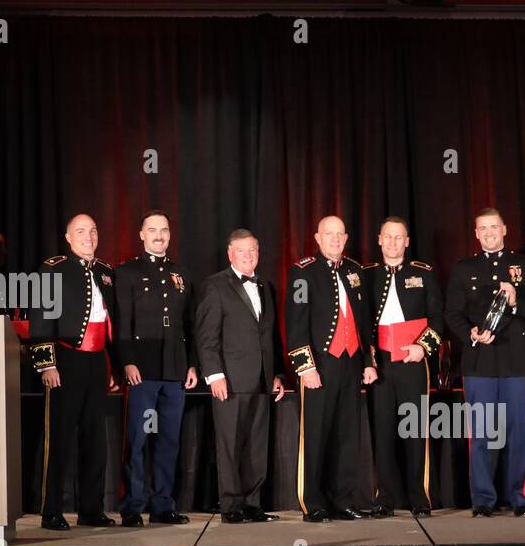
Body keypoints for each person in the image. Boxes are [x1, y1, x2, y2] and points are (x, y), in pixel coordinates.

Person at [444, 208, 525, 516]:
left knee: (519, 433)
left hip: (518, 363)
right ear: (476, 234)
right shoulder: (464, 268)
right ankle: (483, 500)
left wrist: (516, 303)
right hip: (480, 364)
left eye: (494, 227)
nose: (489, 232)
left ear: (505, 229)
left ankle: (521, 498)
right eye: (483, 228)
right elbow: (452, 314)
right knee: (484, 435)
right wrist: (471, 333)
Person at [29, 213, 121, 530]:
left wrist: (113, 366)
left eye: (93, 231)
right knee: (60, 439)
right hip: (65, 362)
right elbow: (40, 318)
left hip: (97, 363)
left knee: (95, 441)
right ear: (68, 238)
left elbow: (112, 324)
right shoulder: (53, 269)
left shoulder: (108, 272)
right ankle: (51, 511)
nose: (88, 236)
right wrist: (47, 363)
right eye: (81, 231)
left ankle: (91, 510)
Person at [286, 215, 377, 523]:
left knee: (347, 437)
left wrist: (368, 361)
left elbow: (364, 323)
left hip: (351, 363)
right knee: (316, 436)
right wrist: (305, 367)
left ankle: (342, 500)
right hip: (320, 367)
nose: (335, 239)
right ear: (317, 237)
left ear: (346, 237)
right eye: (329, 234)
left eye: (340, 234)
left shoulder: (355, 271)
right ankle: (313, 503)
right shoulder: (302, 272)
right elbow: (296, 325)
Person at [115, 210, 198, 526]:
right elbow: (123, 323)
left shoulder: (182, 273)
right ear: (142, 234)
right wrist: (127, 360)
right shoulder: (127, 272)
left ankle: (163, 506)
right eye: (152, 230)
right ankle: (133, 507)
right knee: (137, 441)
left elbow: (189, 324)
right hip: (143, 369)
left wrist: (192, 365)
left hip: (174, 369)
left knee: (169, 441)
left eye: (164, 230)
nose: (159, 235)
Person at [197, 228, 285, 524]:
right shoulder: (216, 286)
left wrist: (275, 375)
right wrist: (214, 375)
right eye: (242, 251)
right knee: (230, 444)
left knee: (256, 445)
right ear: (230, 254)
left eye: (253, 250)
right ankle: (231, 506)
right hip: (230, 381)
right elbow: (207, 337)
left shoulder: (264, 285)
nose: (248, 256)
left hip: (261, 380)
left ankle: (252, 503)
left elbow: (270, 336)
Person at [362, 217, 443, 518]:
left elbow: (438, 318)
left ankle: (420, 498)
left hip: (412, 362)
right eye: (388, 237)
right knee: (382, 432)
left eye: (399, 237)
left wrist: (423, 347)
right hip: (380, 364)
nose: (394, 243)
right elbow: (361, 321)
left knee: (414, 431)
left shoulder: (424, 274)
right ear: (380, 240)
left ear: (407, 241)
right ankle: (384, 499)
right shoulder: (366, 275)